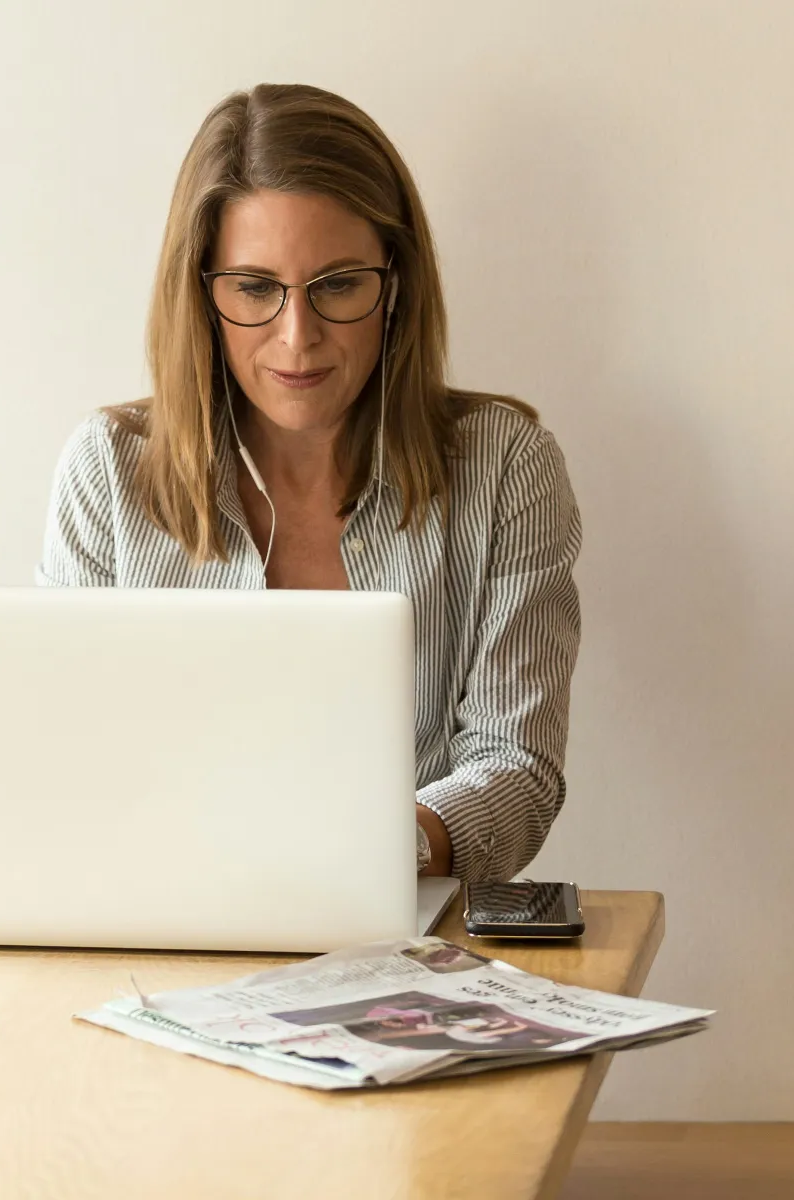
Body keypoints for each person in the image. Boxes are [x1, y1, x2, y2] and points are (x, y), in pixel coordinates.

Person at [36, 83, 581, 883]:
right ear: (203, 295)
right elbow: (63, 761)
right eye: (255, 289)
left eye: (337, 285)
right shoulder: (107, 471)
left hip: (407, 938)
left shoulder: (505, 466)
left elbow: (518, 770)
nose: (298, 338)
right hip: (158, 924)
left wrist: (373, 852)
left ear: (394, 283)